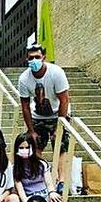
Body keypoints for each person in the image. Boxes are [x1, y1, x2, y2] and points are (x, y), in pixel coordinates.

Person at [18, 43, 71, 184]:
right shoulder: (24, 79)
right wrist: (31, 130)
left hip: (58, 113)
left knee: (60, 145)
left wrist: (59, 126)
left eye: (37, 57)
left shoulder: (56, 73)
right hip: (38, 116)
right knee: (35, 145)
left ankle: (62, 180)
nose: (34, 60)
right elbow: (25, 106)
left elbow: (64, 100)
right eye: (31, 58)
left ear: (44, 57)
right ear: (26, 59)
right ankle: (40, 178)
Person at [13, 132, 68, 202]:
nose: (24, 150)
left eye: (27, 147)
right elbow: (20, 191)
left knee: (57, 201)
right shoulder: (15, 168)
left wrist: (52, 192)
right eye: (21, 148)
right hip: (29, 199)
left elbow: (49, 184)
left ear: (32, 148)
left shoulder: (42, 164)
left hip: (44, 196)